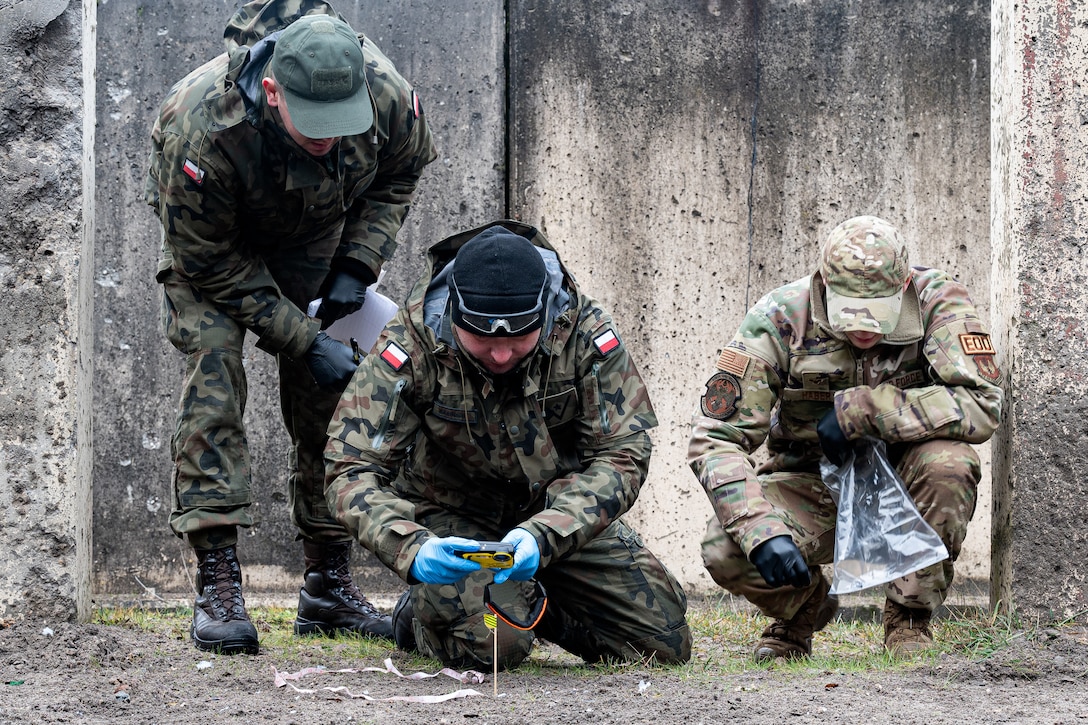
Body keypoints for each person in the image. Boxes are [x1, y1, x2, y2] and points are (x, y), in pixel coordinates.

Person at [144, 0, 437, 655]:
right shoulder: (196, 127)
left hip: (312, 236)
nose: (330, 141)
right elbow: (210, 262)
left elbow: (400, 173)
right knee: (213, 379)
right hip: (215, 250)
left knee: (333, 393)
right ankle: (218, 580)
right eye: (315, 129)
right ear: (272, 92)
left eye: (341, 126)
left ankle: (328, 587)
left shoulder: (384, 93)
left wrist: (356, 267)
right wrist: (303, 337)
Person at [324, 221, 692, 670]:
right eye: (482, 339)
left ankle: (526, 605)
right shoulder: (412, 341)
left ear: (544, 312)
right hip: (454, 522)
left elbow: (623, 453)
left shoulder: (583, 333)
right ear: (454, 313)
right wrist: (413, 548)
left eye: (518, 339)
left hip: (556, 516)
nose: (500, 356)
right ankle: (421, 616)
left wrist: (547, 532)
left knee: (663, 644)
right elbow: (350, 468)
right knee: (496, 646)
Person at [688, 215, 1003, 660]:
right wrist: (761, 531)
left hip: (906, 480)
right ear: (823, 287)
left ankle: (908, 619)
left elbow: (983, 404)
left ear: (904, 286)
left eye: (878, 315)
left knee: (949, 464)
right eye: (849, 313)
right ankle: (803, 609)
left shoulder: (938, 302)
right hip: (811, 482)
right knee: (725, 546)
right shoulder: (780, 317)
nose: (865, 331)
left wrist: (865, 410)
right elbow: (715, 438)